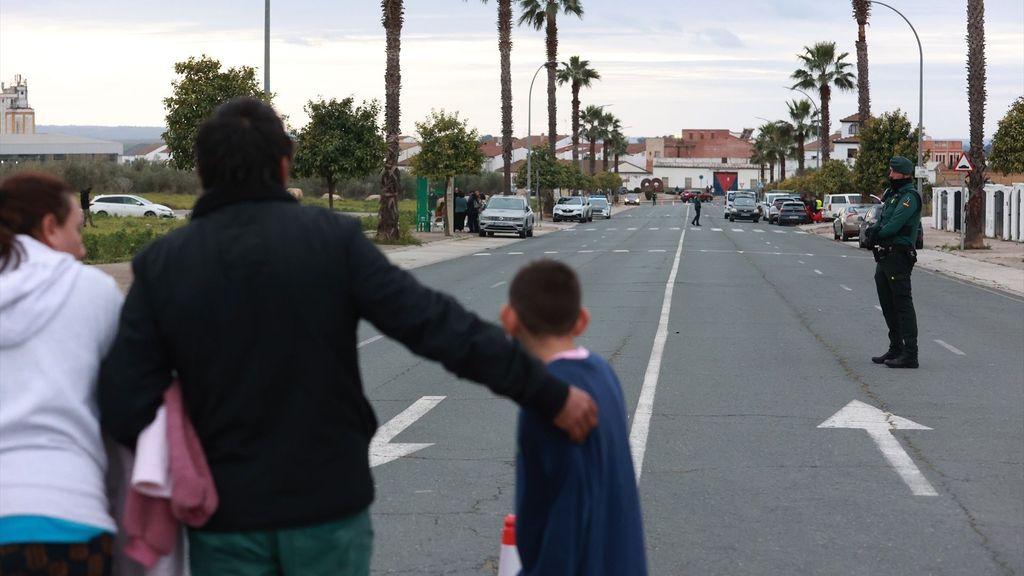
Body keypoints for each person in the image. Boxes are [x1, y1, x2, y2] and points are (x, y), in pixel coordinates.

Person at [98, 98, 598, 576]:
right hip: (328, 506)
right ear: (284, 165)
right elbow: (436, 325)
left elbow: (123, 401)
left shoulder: (163, 266)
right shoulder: (330, 240)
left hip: (225, 517)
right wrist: (546, 393)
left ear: (202, 172)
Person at [0, 172, 125, 575]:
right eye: (76, 230)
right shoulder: (94, 290)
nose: (84, 249)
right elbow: (128, 401)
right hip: (69, 516)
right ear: (50, 227)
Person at [499, 259, 646, 576]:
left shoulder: (552, 403)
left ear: (509, 320)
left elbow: (567, 518)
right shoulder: (603, 373)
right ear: (582, 321)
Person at [864, 156, 922, 369]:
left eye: (894, 172)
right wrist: (874, 232)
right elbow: (883, 219)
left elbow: (895, 224)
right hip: (885, 256)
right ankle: (895, 347)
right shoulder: (892, 195)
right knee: (887, 304)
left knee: (902, 303)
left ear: (905, 174)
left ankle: (910, 353)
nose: (890, 175)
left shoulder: (910, 197)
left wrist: (876, 234)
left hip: (899, 255)